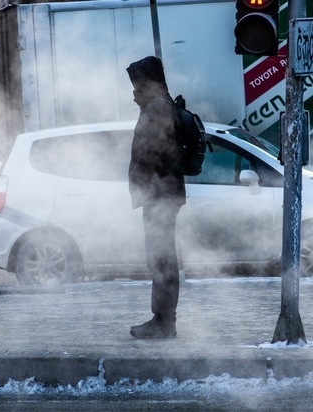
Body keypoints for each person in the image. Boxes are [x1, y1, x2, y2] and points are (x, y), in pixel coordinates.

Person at [126, 56, 186, 339]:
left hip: (160, 195)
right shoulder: (163, 106)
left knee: (161, 257)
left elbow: (150, 154)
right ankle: (163, 320)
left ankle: (163, 323)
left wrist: (142, 184)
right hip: (162, 194)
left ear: (149, 86)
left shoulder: (157, 109)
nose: (134, 95)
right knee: (161, 257)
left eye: (137, 88)